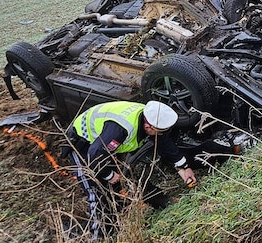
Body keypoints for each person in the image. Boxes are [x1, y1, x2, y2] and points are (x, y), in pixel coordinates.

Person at [63, 100, 196, 239]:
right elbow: (94, 154)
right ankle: (99, 236)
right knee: (96, 191)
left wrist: (184, 167)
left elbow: (164, 143)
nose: (162, 133)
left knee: (117, 186)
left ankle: (118, 220)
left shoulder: (151, 117)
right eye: (160, 131)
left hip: (102, 146)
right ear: (147, 126)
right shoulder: (121, 129)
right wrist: (108, 174)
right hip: (82, 146)